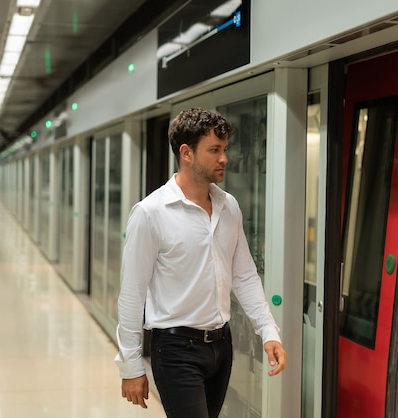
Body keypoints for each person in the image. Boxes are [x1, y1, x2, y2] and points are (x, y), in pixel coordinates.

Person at [115, 107, 286, 417]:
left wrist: (268, 331)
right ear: (187, 153)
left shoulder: (228, 206)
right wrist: (130, 364)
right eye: (214, 150)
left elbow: (244, 276)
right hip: (176, 349)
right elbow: (132, 292)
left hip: (222, 346)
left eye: (224, 149)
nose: (224, 158)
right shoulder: (151, 212)